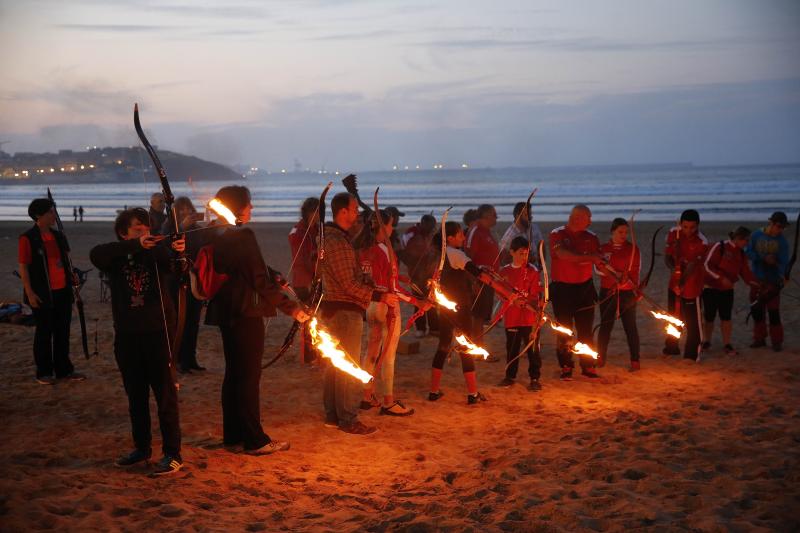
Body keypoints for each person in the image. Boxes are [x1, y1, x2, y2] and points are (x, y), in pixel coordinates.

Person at [204, 186, 309, 454]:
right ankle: (255, 440)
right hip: (246, 312)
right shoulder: (243, 234)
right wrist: (292, 308)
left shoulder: (218, 232)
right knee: (248, 377)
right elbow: (257, 280)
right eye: (249, 204)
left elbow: (249, 268)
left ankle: (233, 436)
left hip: (226, 311)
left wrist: (274, 273)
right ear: (238, 206)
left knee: (234, 374)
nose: (252, 208)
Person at [89, 208, 184, 475]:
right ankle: (142, 448)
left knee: (165, 395)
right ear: (124, 233)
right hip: (128, 336)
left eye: (147, 228)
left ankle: (173, 453)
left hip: (158, 333)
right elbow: (96, 253)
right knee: (136, 396)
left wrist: (177, 250)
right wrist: (135, 245)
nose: (145, 233)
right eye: (137, 229)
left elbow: (178, 268)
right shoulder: (115, 256)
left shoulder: (157, 252)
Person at [319, 192, 397, 434]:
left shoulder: (335, 239)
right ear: (342, 212)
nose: (356, 214)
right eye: (353, 210)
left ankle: (333, 415)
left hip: (335, 309)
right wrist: (379, 295)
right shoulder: (337, 242)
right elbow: (347, 285)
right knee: (347, 365)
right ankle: (348, 418)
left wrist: (366, 280)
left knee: (336, 364)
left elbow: (351, 277)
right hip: (343, 310)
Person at [18, 198, 86, 385]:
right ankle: (44, 372)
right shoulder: (28, 238)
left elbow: (66, 261)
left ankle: (64, 370)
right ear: (39, 215)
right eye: (50, 212)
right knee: (44, 333)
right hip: (42, 293)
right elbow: (24, 267)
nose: (54, 215)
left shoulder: (58, 236)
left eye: (53, 211)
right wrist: (30, 293)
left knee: (62, 332)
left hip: (62, 292)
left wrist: (72, 277)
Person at [358, 210, 415, 416]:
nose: (393, 229)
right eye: (391, 225)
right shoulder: (385, 249)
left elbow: (382, 275)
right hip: (387, 306)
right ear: (383, 227)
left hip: (370, 305)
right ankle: (388, 401)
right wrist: (419, 301)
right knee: (388, 355)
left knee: (371, 351)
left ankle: (367, 396)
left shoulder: (364, 248)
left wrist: (404, 278)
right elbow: (392, 288)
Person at [429, 221, 491, 405]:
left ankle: (433, 391)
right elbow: (476, 272)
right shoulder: (456, 254)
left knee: (443, 345)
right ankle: (472, 394)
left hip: (445, 309)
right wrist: (485, 277)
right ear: (450, 238)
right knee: (466, 347)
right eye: (460, 234)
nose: (464, 237)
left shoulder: (439, 255)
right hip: (460, 308)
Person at [549, 204, 603, 380]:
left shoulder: (592, 237)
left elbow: (601, 262)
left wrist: (617, 275)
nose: (591, 221)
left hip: (585, 288)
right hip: (562, 289)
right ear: (578, 218)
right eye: (589, 217)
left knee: (586, 329)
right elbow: (563, 255)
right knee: (564, 330)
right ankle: (566, 365)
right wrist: (589, 258)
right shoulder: (557, 234)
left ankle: (588, 366)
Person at [162, 196, 208, 373]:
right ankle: (179, 360)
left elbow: (203, 247)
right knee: (180, 320)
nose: (186, 212)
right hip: (176, 280)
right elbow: (167, 244)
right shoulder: (168, 226)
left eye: (189, 209)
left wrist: (212, 226)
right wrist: (181, 228)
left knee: (194, 321)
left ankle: (191, 359)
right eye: (182, 210)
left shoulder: (196, 229)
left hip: (194, 278)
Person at [701, 226, 760, 356]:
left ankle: (727, 344)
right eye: (746, 240)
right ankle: (706, 341)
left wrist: (756, 283)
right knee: (709, 316)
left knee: (726, 317)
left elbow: (745, 272)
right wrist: (721, 278)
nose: (747, 243)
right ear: (738, 238)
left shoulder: (741, 253)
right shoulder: (719, 246)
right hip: (710, 288)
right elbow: (706, 265)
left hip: (727, 290)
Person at [497, 236, 543, 391]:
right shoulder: (504, 271)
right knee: (512, 348)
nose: (524, 257)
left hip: (529, 319)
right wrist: (512, 299)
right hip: (512, 317)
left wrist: (527, 302)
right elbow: (500, 293)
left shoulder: (532, 270)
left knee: (533, 349)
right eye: (521, 253)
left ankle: (535, 378)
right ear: (512, 252)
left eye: (526, 253)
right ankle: (510, 376)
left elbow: (535, 294)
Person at [596, 218, 642, 371]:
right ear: (612, 231)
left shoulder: (633, 249)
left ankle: (635, 360)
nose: (624, 235)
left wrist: (636, 289)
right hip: (608, 292)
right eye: (620, 232)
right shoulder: (603, 248)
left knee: (630, 327)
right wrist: (614, 275)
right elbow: (597, 269)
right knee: (605, 326)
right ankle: (600, 357)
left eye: (626, 232)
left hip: (627, 293)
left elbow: (636, 271)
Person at [663, 209, 709, 361]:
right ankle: (671, 348)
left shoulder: (702, 241)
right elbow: (667, 257)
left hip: (692, 286)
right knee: (673, 318)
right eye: (685, 227)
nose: (688, 231)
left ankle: (691, 355)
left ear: (698, 226)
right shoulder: (673, 233)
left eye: (692, 228)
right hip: (673, 283)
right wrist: (673, 269)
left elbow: (692, 267)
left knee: (692, 322)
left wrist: (681, 282)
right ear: (680, 224)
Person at [747, 212, 790, 352]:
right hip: (757, 279)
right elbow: (748, 252)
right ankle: (759, 339)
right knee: (757, 310)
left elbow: (784, 262)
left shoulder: (782, 242)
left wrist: (783, 275)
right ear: (771, 223)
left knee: (773, 312)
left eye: (783, 227)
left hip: (773, 281)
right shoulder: (756, 235)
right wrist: (763, 258)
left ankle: (777, 342)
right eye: (778, 226)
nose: (780, 230)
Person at [288, 197, 321, 365]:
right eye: (316, 212)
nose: (319, 216)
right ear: (309, 212)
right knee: (308, 318)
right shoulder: (299, 232)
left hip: (315, 278)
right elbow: (302, 260)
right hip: (304, 281)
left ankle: (315, 352)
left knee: (315, 317)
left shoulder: (315, 230)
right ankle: (308, 356)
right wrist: (316, 269)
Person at [465, 204, 500, 361]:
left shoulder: (487, 232)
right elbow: (468, 257)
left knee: (482, 316)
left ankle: (477, 347)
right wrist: (473, 281)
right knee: (477, 316)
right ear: (485, 216)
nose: (496, 218)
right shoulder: (476, 231)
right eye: (494, 215)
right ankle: (477, 349)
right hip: (479, 279)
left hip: (489, 279)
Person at [399, 214, 438, 338]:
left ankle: (434, 328)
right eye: (430, 227)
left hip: (430, 272)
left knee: (431, 300)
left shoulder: (430, 234)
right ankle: (420, 328)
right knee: (419, 301)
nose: (432, 230)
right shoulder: (411, 233)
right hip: (416, 272)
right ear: (423, 224)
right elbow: (403, 250)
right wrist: (413, 262)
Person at [498, 202, 544, 268]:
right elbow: (503, 258)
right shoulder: (510, 235)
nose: (530, 217)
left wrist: (541, 263)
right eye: (526, 215)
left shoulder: (534, 228)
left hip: (535, 268)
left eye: (530, 214)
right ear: (518, 216)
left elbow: (541, 245)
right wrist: (526, 259)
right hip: (520, 271)